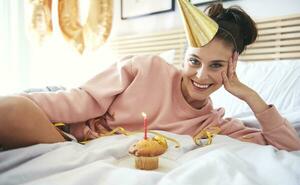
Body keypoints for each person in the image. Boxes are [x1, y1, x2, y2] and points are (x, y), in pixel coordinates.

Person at [0, 2, 300, 151]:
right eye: (194, 60)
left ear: (231, 67)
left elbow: (289, 148)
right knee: (11, 108)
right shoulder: (147, 67)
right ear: (184, 55)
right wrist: (31, 107)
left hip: (67, 144)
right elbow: (85, 99)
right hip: (68, 112)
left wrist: (249, 95)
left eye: (216, 66)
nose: (201, 75)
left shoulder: (214, 126)